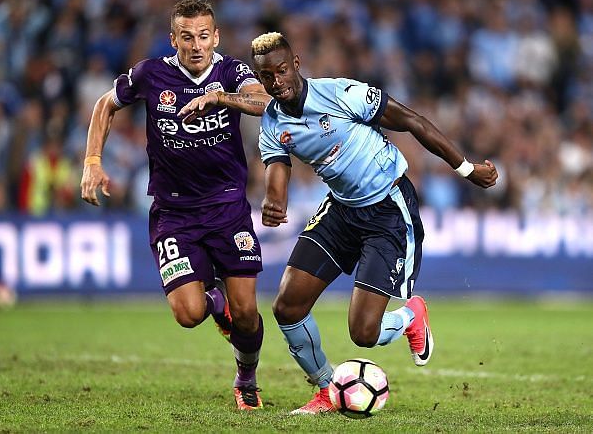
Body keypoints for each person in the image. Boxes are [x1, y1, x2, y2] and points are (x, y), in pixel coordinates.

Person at [179, 32, 498, 415]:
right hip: (341, 210)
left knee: (363, 332)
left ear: (296, 63)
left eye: (282, 71)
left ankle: (411, 315)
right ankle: (328, 390)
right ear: (260, 80)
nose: (277, 82)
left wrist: (466, 168)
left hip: (387, 208)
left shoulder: (341, 93)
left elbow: (412, 121)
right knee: (287, 307)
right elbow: (277, 174)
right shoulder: (272, 125)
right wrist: (273, 202)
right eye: (267, 77)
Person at [80, 0, 268, 410]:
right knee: (188, 313)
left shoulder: (231, 71)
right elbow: (104, 105)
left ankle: (246, 378)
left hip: (228, 208)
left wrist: (223, 99)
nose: (197, 45)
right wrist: (93, 161)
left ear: (215, 37)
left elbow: (263, 102)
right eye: (187, 37)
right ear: (174, 40)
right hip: (174, 213)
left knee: (249, 314)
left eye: (204, 36)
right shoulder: (151, 74)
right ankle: (214, 301)